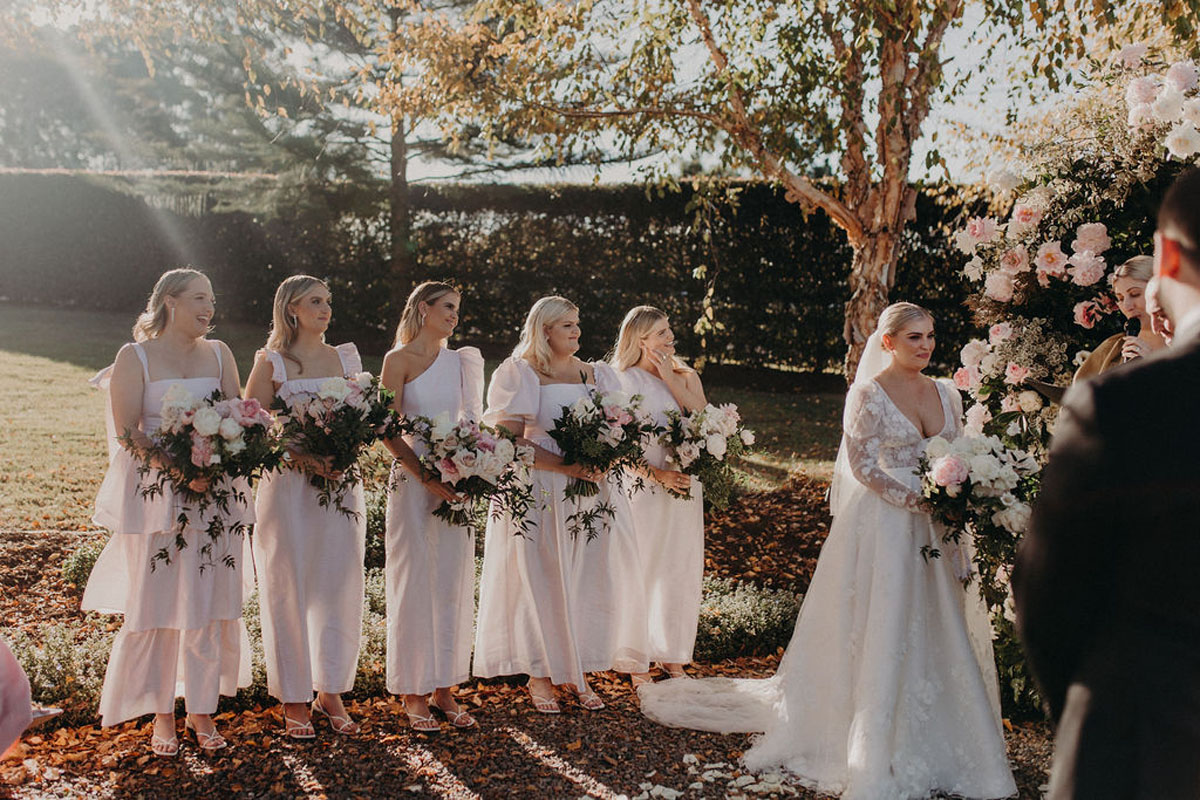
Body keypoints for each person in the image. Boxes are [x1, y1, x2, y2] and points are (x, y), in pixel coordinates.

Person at [640, 303, 1016, 800]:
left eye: (930, 336)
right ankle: (874, 743)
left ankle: (953, 739)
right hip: (887, 523)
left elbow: (960, 453)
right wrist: (915, 499)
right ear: (888, 342)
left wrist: (957, 497)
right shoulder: (867, 394)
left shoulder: (948, 393)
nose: (925, 345)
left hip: (939, 527)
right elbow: (862, 465)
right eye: (913, 338)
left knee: (941, 621)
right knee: (884, 621)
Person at [1013, 168, 1200, 798]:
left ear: (1169, 256)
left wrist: (1101, 707)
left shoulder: (1121, 408)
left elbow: (1047, 601)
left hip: (1143, 751)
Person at [83, 268, 251, 756]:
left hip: (216, 494)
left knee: (207, 600)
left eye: (213, 301)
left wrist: (220, 461)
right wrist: (177, 471)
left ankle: (201, 713)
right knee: (159, 603)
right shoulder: (134, 356)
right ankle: (161, 715)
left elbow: (239, 416)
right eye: (199, 298)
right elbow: (128, 431)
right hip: (159, 497)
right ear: (170, 301)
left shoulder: (219, 354)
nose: (209, 308)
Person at [474, 296, 650, 713]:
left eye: (577, 324)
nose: (576, 331)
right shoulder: (521, 372)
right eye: (567, 325)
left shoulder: (597, 374)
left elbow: (619, 426)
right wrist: (566, 464)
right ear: (545, 330)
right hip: (542, 488)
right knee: (543, 577)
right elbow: (508, 438)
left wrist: (604, 456)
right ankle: (540, 674)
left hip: (593, 490)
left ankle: (577, 670)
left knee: (587, 575)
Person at [244, 275, 365, 739]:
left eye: (328, 301)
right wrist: (303, 455)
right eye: (315, 301)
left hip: (340, 484)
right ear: (291, 308)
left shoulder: (345, 357)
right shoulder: (271, 362)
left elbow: (364, 415)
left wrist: (344, 453)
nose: (325, 308)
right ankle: (294, 696)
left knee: (338, 584)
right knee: (288, 585)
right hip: (290, 486)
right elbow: (251, 429)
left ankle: (330, 689)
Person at [380, 282, 484, 731]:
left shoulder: (463, 361)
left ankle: (444, 687)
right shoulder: (397, 360)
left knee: (450, 581)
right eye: (447, 308)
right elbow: (386, 429)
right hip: (413, 482)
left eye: (458, 310)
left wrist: (471, 469)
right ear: (423, 309)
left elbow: (473, 423)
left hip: (456, 481)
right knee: (415, 580)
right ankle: (413, 690)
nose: (454, 316)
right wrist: (425, 475)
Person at [609, 306, 706, 686]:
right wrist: (656, 475)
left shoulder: (685, 375)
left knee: (679, 566)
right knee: (642, 566)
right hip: (643, 484)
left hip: (683, 483)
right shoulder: (620, 380)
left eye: (669, 331)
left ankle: (672, 653)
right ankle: (634, 657)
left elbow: (703, 418)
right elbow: (614, 444)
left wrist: (670, 378)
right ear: (639, 340)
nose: (670, 339)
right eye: (661, 333)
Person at [1074, 256, 1166, 381]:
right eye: (1121, 298)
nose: (1127, 306)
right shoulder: (1112, 349)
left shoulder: (1191, 342)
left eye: (1135, 294)